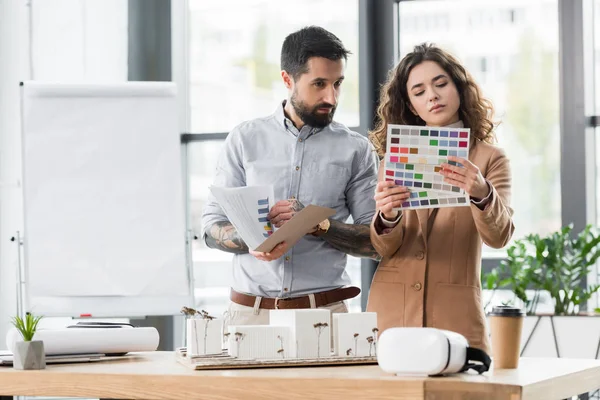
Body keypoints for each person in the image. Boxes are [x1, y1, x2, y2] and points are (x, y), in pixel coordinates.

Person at [201, 26, 379, 330]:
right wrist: (251, 238)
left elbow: (374, 242)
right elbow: (210, 229)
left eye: (338, 84)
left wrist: (318, 225)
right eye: (319, 84)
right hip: (249, 316)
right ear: (287, 79)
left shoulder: (356, 149)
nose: (331, 97)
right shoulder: (244, 139)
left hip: (325, 316)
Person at [366, 43, 515, 352]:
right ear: (410, 105)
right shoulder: (393, 160)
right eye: (418, 92)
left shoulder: (489, 160)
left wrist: (481, 192)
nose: (432, 96)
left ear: (459, 88)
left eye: (440, 84)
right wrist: (388, 216)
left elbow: (499, 237)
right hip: (391, 315)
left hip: (455, 318)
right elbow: (384, 247)